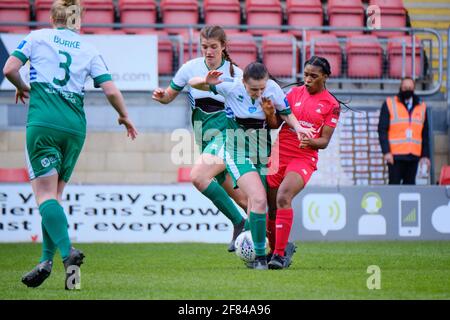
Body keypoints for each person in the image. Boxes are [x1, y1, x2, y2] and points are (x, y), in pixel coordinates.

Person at [2, 0, 138, 289]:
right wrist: (125, 116)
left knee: (44, 197)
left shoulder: (38, 37)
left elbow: (9, 68)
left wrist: (22, 87)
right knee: (56, 198)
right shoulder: (88, 48)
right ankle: (54, 267)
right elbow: (111, 89)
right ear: (79, 20)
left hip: (43, 123)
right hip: (75, 127)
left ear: (53, 16)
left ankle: (66, 254)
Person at [189, 62, 315, 269]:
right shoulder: (230, 87)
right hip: (236, 151)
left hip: (262, 152)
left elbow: (286, 113)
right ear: (243, 83)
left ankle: (270, 251)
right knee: (257, 198)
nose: (258, 93)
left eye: (262, 88)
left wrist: (299, 126)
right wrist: (206, 81)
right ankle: (260, 259)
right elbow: (192, 83)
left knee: (262, 204)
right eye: (253, 89)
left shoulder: (272, 89)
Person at [152, 25, 248, 252]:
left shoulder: (236, 74)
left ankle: (239, 223)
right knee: (245, 201)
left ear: (224, 47)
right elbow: (169, 96)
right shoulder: (189, 68)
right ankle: (275, 244)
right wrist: (161, 96)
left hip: (229, 136)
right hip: (205, 140)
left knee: (198, 176)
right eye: (204, 46)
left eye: (214, 47)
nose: (208, 51)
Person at [262, 56, 342, 269]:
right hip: (279, 153)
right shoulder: (293, 93)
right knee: (270, 208)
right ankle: (276, 248)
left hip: (304, 156)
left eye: (313, 76)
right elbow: (274, 125)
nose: (307, 79)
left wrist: (310, 141)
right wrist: (270, 114)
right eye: (305, 75)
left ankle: (279, 255)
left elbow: (324, 141)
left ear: (325, 77)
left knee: (283, 196)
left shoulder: (331, 105)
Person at [377, 77, 430, 185]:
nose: (408, 90)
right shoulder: (389, 104)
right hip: (395, 156)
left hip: (414, 155)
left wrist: (425, 155)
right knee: (394, 185)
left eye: (410, 87)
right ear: (400, 88)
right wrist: (386, 152)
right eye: (405, 87)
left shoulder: (422, 106)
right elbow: (382, 130)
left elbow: (425, 133)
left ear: (414, 89)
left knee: (410, 187)